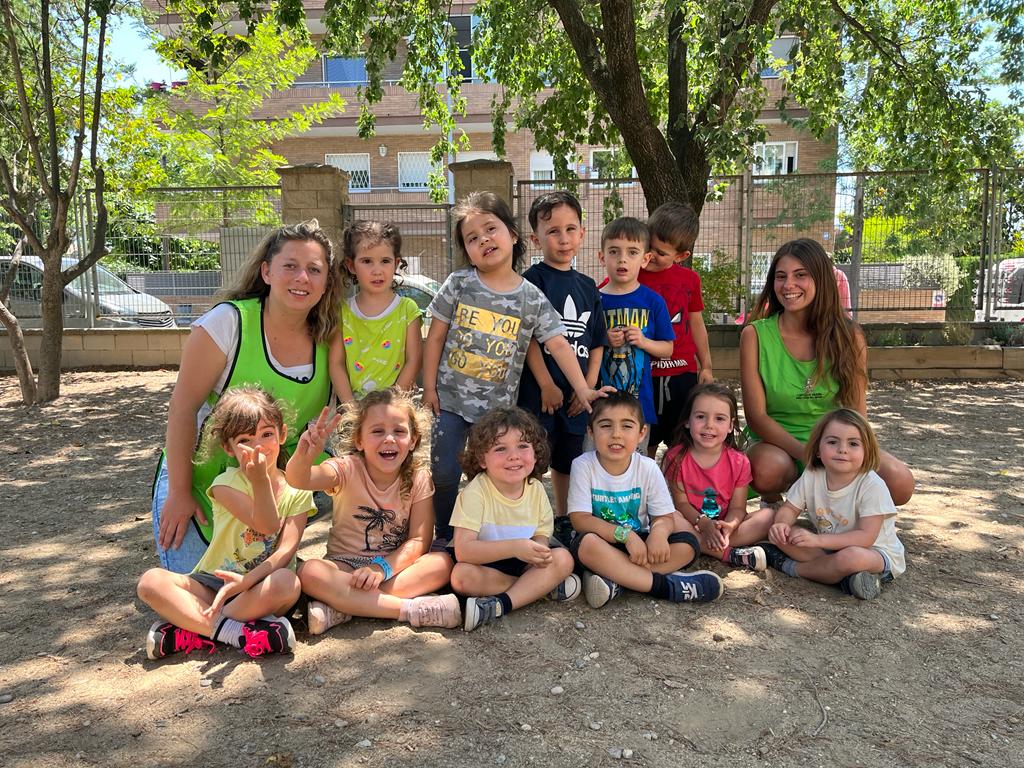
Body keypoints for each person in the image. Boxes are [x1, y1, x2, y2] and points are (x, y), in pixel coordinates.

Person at [153, 220, 340, 574]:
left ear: (327, 282)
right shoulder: (228, 322)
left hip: (275, 486)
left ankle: (275, 551)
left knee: (265, 588)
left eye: (315, 270)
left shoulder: (332, 340)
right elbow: (182, 408)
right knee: (200, 586)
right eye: (290, 266)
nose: (302, 277)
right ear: (266, 271)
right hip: (206, 482)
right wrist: (179, 493)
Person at [423, 191, 607, 544]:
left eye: (490, 229)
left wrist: (582, 388)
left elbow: (557, 343)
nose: (483, 240)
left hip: (496, 412)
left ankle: (488, 536)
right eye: (472, 238)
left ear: (512, 234)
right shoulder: (458, 283)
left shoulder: (531, 297)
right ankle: (445, 536)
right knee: (443, 472)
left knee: (491, 477)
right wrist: (429, 387)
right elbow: (434, 338)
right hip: (449, 402)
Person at [137, 387, 311, 659]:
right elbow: (265, 524)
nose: (258, 446)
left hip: (261, 586)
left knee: (289, 582)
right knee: (150, 582)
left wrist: (246, 582)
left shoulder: (297, 489)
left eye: (266, 434)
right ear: (228, 448)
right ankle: (237, 633)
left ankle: (194, 629)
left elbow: (285, 550)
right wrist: (260, 482)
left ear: (282, 434)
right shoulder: (225, 485)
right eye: (245, 440)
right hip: (213, 583)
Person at [740, 238, 914, 506]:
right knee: (767, 469)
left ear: (820, 279)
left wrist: (846, 453)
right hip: (778, 443)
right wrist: (810, 455)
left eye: (800, 275)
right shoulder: (755, 335)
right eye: (781, 276)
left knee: (900, 482)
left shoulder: (849, 335)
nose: (788, 285)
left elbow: (856, 410)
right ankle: (773, 502)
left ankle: (837, 508)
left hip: (835, 441)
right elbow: (757, 418)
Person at [286, 390, 460, 633]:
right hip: (344, 566)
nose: (389, 439)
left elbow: (419, 540)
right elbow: (298, 479)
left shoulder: (419, 478)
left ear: (413, 440)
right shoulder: (345, 468)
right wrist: (305, 456)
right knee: (310, 572)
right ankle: (409, 609)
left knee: (441, 564)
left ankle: (344, 607)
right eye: (377, 431)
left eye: (399, 431)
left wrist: (381, 569)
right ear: (359, 441)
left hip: (393, 568)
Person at [568, 392, 724, 608]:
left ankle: (618, 579)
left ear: (642, 433)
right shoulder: (583, 465)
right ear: (591, 432)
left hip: (642, 545)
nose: (616, 435)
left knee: (689, 544)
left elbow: (664, 517)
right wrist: (625, 536)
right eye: (605, 426)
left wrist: (658, 535)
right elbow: (580, 520)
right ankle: (665, 586)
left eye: (626, 426)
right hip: (603, 541)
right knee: (586, 545)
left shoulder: (648, 467)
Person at [516, 191, 608, 545]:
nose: (563, 238)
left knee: (568, 460)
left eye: (570, 229)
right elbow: (528, 339)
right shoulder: (530, 281)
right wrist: (545, 383)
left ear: (582, 233)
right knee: (531, 457)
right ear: (535, 238)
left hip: (576, 394)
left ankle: (565, 519)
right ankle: (528, 520)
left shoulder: (588, 286)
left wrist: (586, 388)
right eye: (553, 231)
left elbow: (596, 342)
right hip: (539, 392)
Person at [449, 407, 580, 631]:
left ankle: (500, 604)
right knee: (461, 577)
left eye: (523, 446)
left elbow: (542, 532)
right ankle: (539, 589)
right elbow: (464, 551)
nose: (514, 456)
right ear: (481, 459)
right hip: (486, 566)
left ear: (535, 453)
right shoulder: (475, 492)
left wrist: (539, 551)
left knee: (564, 559)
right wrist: (515, 547)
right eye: (500, 448)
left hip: (526, 564)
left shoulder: (536, 488)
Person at [763, 408, 906, 600]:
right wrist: (781, 524)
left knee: (850, 558)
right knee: (786, 534)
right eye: (832, 442)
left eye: (853, 443)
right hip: (829, 550)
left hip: (873, 553)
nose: (842, 449)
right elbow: (790, 508)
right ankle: (845, 579)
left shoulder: (872, 485)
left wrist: (817, 540)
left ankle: (792, 568)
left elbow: (866, 537)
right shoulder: (813, 474)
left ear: (867, 451)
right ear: (818, 449)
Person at [661, 383, 772, 571]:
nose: (709, 425)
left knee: (769, 516)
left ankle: (705, 544)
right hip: (690, 523)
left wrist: (729, 526)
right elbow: (681, 505)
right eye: (700, 417)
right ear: (687, 420)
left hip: (723, 528)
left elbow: (738, 508)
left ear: (731, 426)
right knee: (670, 517)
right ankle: (729, 554)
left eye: (719, 418)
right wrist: (704, 523)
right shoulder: (675, 458)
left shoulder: (740, 462)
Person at [596, 217, 675, 454]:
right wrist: (604, 339)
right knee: (597, 461)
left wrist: (644, 341)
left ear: (645, 259)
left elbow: (668, 348)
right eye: (614, 251)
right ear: (602, 257)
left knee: (634, 463)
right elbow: (582, 346)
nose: (622, 259)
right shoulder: (593, 299)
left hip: (639, 405)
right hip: (599, 405)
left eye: (632, 252)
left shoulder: (653, 301)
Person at [642, 202, 714, 459]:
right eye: (648, 247)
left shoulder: (689, 280)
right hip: (643, 375)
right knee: (644, 442)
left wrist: (706, 365)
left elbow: (696, 323)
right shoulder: (630, 275)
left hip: (682, 374)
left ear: (681, 256)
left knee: (682, 446)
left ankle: (675, 485)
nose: (651, 255)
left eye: (660, 252)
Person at [329, 220, 423, 401]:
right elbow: (336, 363)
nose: (377, 270)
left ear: (396, 264)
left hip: (396, 407)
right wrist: (351, 408)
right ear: (351, 265)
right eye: (367, 261)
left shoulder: (407, 310)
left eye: (385, 261)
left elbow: (414, 360)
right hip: (354, 409)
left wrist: (391, 404)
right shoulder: (342, 312)